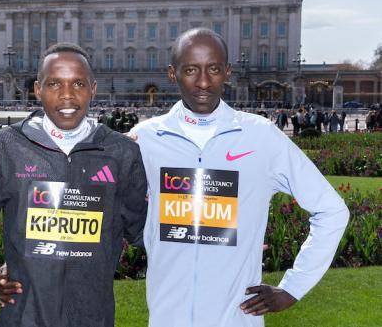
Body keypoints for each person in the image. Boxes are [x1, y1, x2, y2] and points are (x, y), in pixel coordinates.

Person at [130, 28, 349, 326]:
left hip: (235, 319)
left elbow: (332, 210)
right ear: (173, 73)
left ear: (228, 72)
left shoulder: (261, 136)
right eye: (191, 70)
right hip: (167, 318)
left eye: (214, 69)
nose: (204, 82)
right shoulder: (145, 137)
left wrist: (293, 288)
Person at [0, 43, 147, 327]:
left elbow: (149, 234)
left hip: (91, 316)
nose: (67, 95)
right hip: (24, 317)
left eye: (78, 83)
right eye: (54, 83)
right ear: (37, 89)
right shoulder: (5, 146)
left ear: (93, 89)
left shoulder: (121, 152)